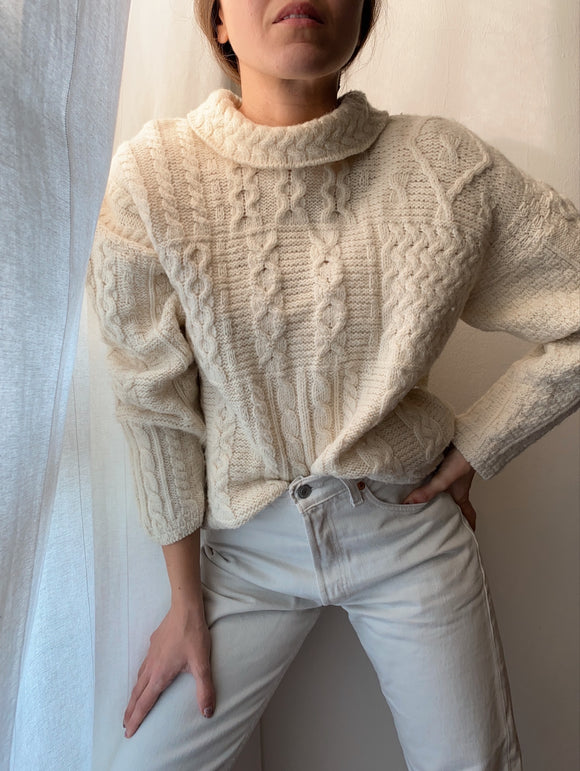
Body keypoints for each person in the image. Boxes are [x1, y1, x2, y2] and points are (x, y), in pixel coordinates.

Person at [88, 1, 580, 768]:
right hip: (242, 552)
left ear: (363, 16)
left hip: (407, 531)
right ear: (218, 23)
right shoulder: (154, 177)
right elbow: (152, 399)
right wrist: (184, 599)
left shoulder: (445, 167)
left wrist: (482, 442)